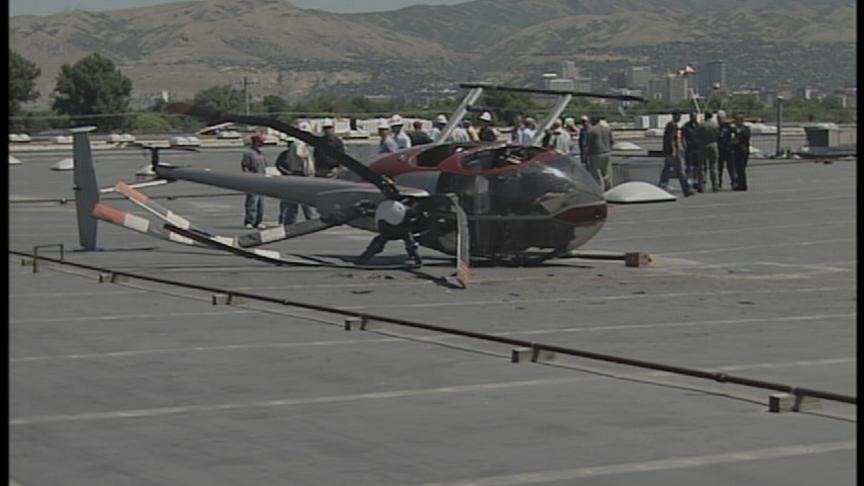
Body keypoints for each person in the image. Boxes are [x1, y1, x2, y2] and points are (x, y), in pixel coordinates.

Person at [355, 200, 425, 266]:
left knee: (379, 241)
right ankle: (416, 258)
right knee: (409, 242)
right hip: (400, 231)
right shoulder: (404, 210)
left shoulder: (387, 209)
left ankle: (362, 260)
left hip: (391, 231)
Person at [274, 122, 319, 225]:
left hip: (298, 173)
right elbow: (300, 155)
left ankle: (291, 220)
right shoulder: (300, 144)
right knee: (305, 199)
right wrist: (305, 164)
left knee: (295, 200)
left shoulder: (297, 144)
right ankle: (310, 219)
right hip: (302, 174)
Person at [658, 110, 692, 196]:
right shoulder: (673, 125)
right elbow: (672, 139)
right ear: (675, 116)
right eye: (679, 116)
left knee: (667, 169)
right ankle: (686, 189)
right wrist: (674, 150)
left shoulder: (669, 125)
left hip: (669, 151)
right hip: (674, 152)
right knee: (680, 170)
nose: (680, 118)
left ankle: (662, 185)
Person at [240, 133, 268, 229]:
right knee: (252, 202)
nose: (262, 143)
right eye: (260, 141)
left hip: (262, 180)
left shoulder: (261, 153)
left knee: (261, 203)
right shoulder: (249, 153)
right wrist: (249, 178)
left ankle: (258, 221)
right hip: (252, 180)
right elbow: (245, 167)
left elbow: (265, 166)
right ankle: (249, 221)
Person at [585, 116, 614, 190]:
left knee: (597, 173)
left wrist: (586, 155)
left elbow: (588, 144)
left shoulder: (591, 130)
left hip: (596, 153)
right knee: (607, 173)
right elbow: (612, 141)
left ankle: (600, 189)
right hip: (607, 152)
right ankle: (609, 188)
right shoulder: (607, 129)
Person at [695, 111, 720, 192]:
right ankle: (715, 185)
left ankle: (702, 185)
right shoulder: (715, 125)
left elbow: (696, 135)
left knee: (702, 166)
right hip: (713, 144)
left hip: (703, 144)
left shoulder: (702, 125)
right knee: (713, 166)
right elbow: (718, 134)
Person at [716, 110, 737, 189]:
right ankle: (719, 183)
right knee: (719, 168)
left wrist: (733, 144)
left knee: (731, 168)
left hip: (728, 150)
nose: (719, 120)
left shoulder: (728, 126)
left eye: (720, 118)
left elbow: (735, 134)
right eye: (718, 118)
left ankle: (733, 182)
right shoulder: (717, 127)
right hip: (720, 150)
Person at [681, 111, 701, 190]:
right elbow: (683, 137)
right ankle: (689, 181)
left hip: (697, 148)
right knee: (689, 166)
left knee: (697, 166)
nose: (694, 118)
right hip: (689, 149)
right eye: (692, 116)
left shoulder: (699, 126)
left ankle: (696, 181)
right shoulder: (686, 126)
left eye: (695, 116)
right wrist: (684, 146)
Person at [732, 114, 751, 191]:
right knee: (739, 168)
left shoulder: (743, 129)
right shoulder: (742, 129)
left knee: (741, 168)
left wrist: (733, 143)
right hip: (742, 150)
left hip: (741, 150)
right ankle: (740, 183)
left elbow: (739, 139)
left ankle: (742, 184)